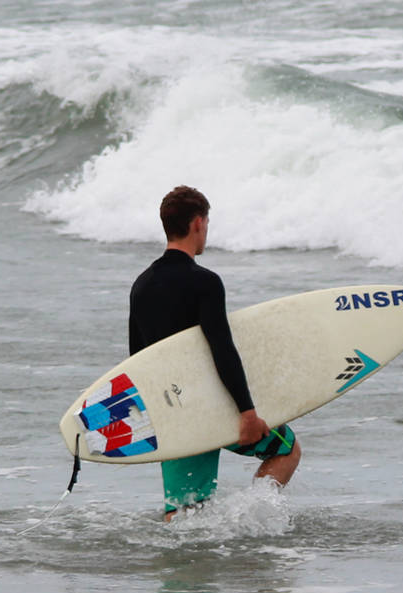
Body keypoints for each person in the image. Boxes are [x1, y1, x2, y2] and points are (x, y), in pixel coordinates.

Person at [129, 186, 301, 521]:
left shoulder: (142, 285)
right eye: (206, 222)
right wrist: (247, 412)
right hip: (212, 405)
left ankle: (180, 571)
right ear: (197, 223)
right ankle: (251, 522)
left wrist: (154, 421)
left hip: (173, 410)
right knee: (286, 449)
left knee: (182, 511)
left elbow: (138, 359)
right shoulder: (204, 282)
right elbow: (222, 348)